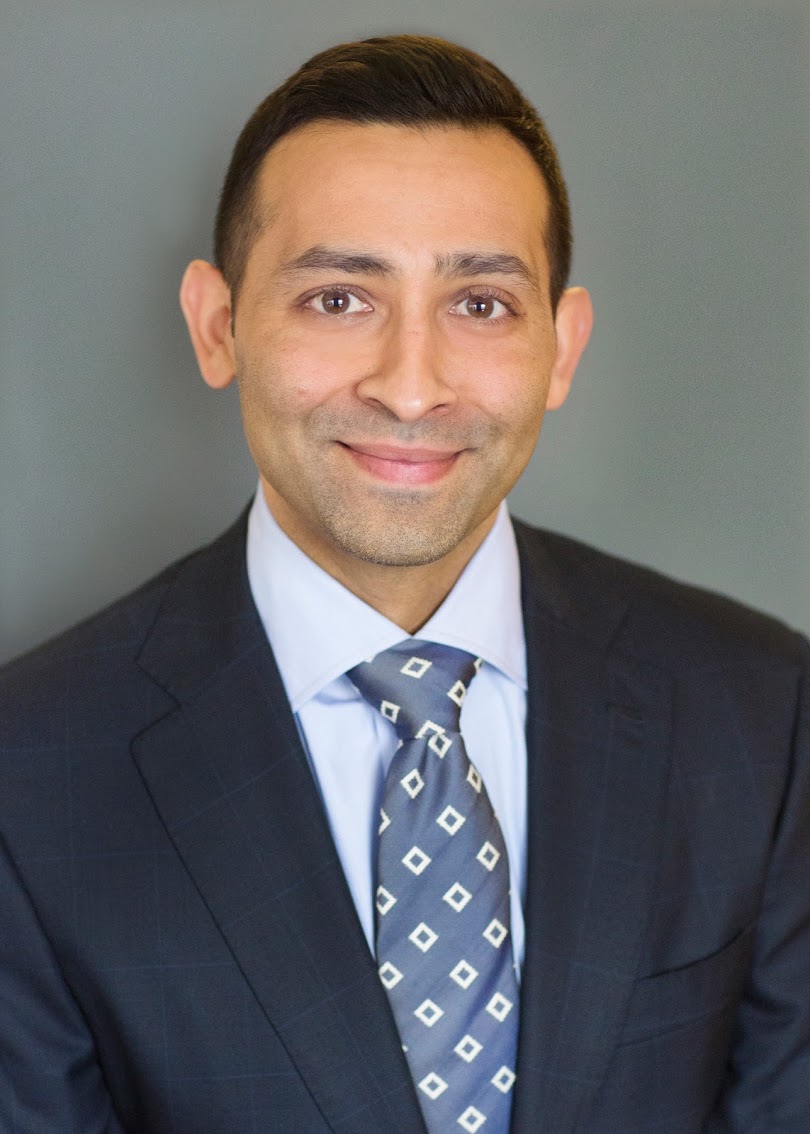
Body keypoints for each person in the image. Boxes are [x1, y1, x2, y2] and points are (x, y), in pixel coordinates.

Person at [0, 33, 808, 1134]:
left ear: (561, 349)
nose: (413, 386)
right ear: (217, 323)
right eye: (340, 298)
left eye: (480, 304)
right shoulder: (29, 778)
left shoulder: (763, 714)